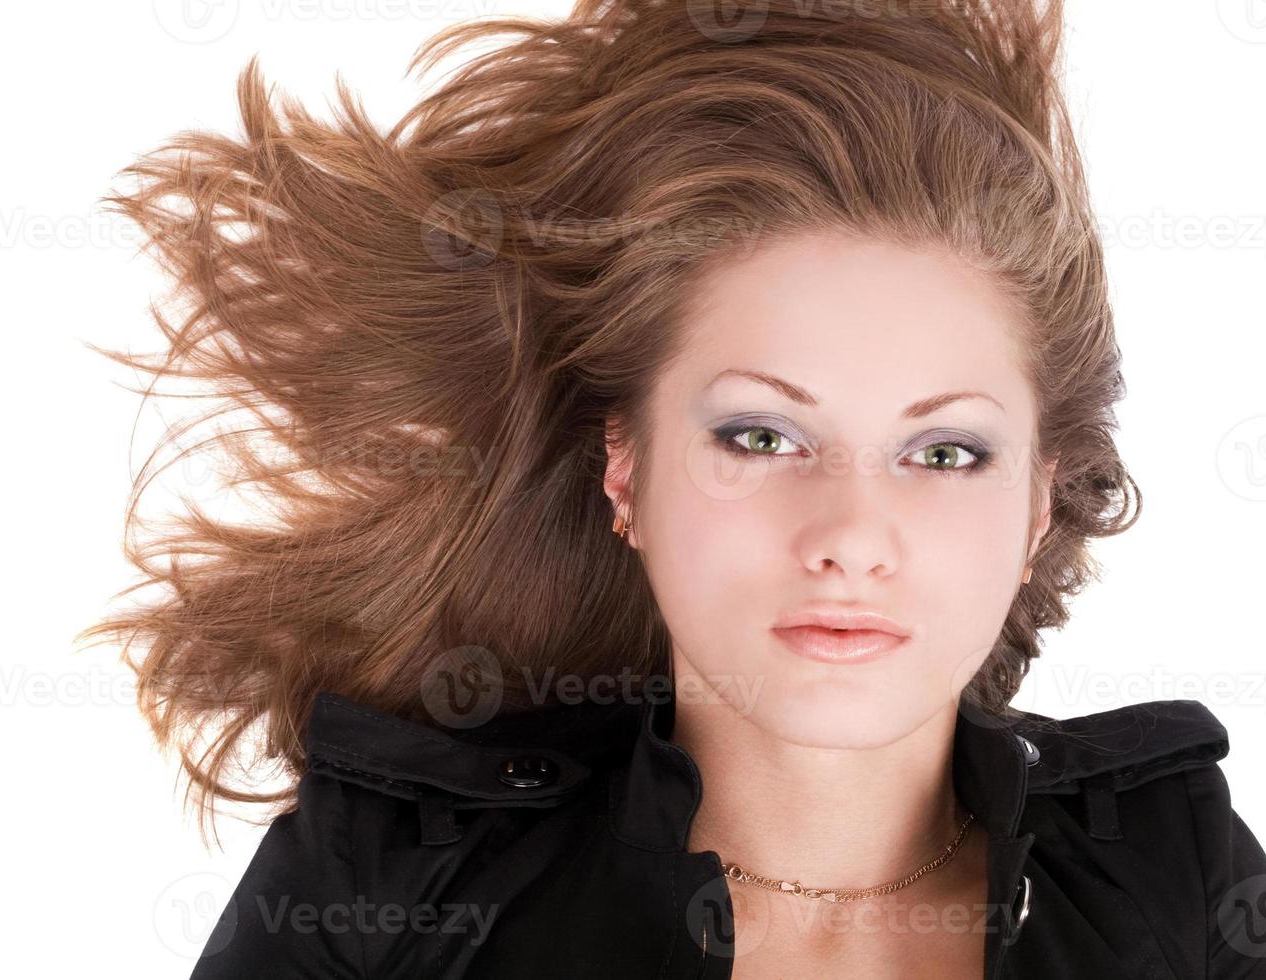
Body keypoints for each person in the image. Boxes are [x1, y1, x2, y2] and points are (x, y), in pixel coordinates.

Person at [77, 0, 1266, 976]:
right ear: (626, 469)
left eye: (945, 452)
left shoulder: (1174, 871)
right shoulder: (390, 890)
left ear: (1040, 506)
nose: (852, 534)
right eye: (759, 435)